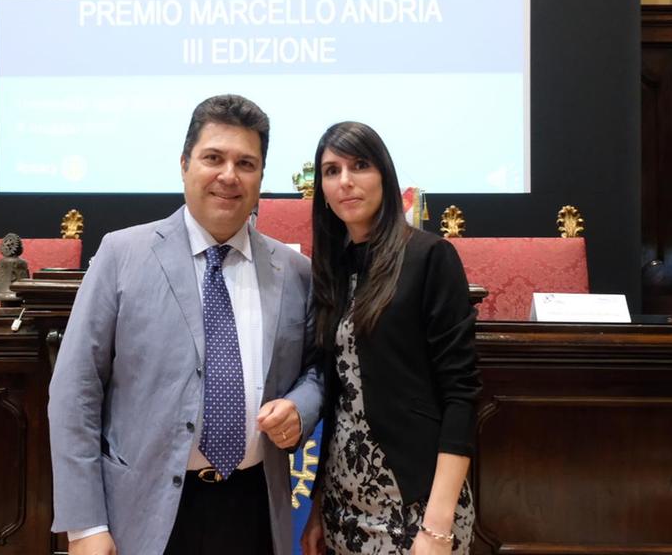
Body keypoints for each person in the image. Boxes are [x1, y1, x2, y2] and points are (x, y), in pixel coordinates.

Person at [49, 94, 321, 555]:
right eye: (213, 158)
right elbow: (75, 392)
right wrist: (84, 525)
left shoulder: (294, 270)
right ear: (184, 164)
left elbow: (317, 370)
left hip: (256, 509)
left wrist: (300, 405)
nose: (229, 176)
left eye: (246, 163)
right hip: (142, 515)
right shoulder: (121, 255)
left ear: (260, 177)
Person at [301, 122, 481, 555]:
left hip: (416, 506)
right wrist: (318, 505)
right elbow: (339, 398)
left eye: (359, 165)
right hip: (344, 504)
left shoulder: (429, 256)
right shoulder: (333, 270)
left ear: (384, 173)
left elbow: (462, 395)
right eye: (331, 170)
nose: (345, 181)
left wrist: (436, 527)